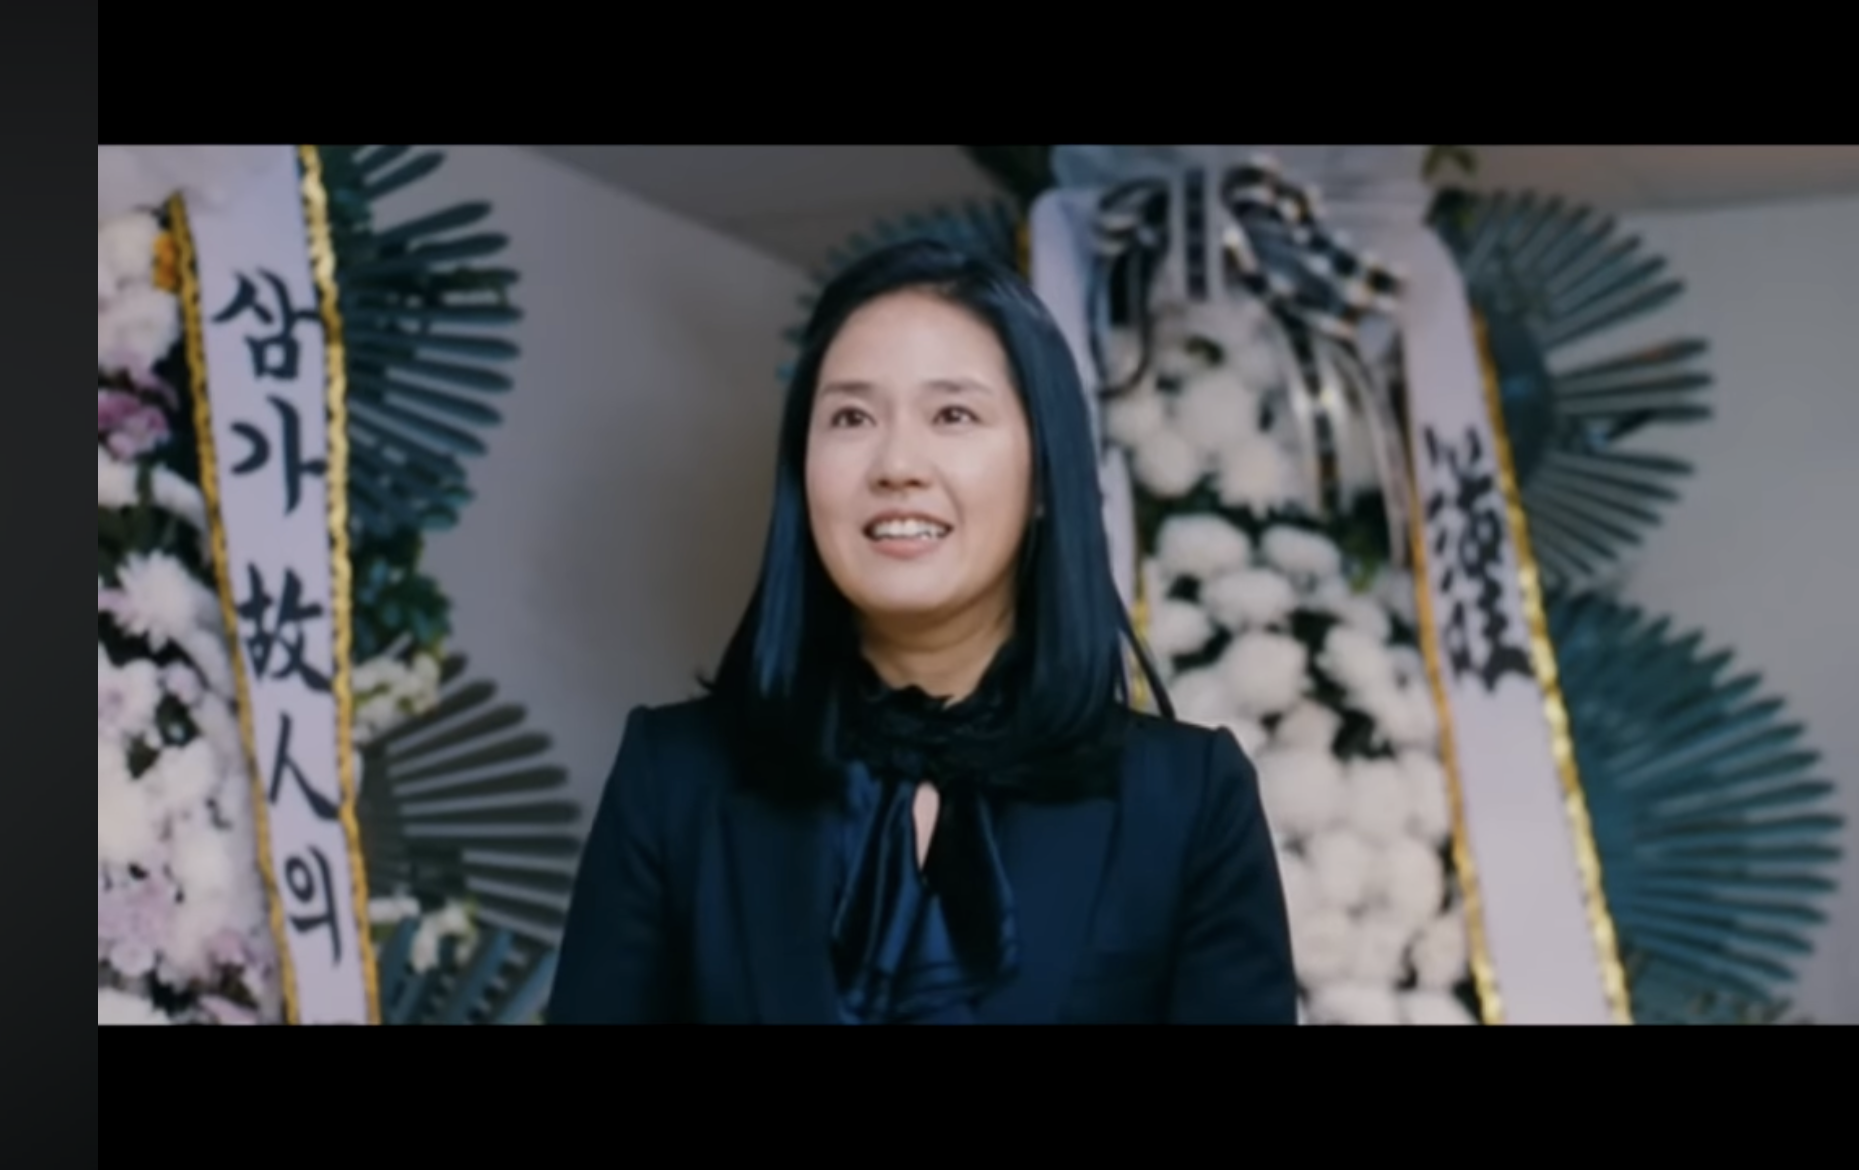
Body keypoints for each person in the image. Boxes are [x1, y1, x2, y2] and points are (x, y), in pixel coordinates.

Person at [548, 239, 1297, 1024]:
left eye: (953, 414)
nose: (896, 463)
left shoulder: (1187, 801)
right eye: (851, 416)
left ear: (1045, 475)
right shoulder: (674, 781)